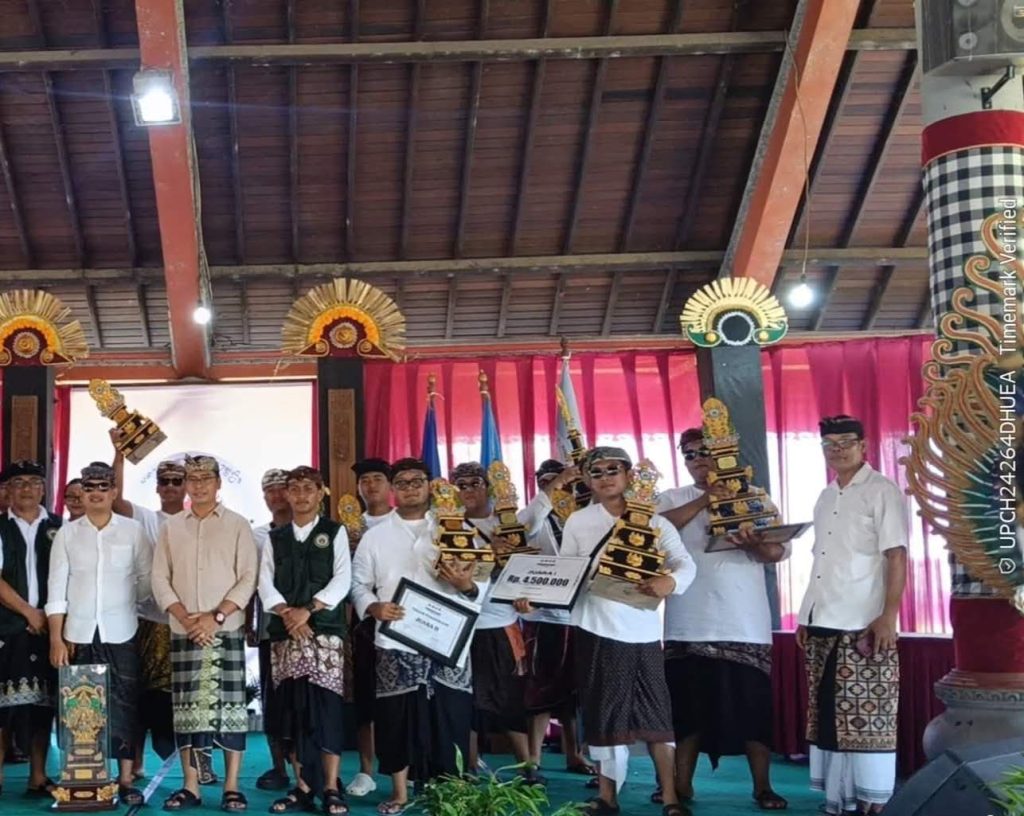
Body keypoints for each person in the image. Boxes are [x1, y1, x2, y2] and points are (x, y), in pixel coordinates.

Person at [553, 447, 696, 816]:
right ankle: (607, 796)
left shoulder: (656, 522)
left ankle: (670, 797)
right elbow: (566, 571)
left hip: (643, 631)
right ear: (587, 481)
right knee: (604, 715)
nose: (605, 477)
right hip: (595, 627)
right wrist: (534, 595)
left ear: (629, 475)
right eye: (596, 472)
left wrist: (670, 581)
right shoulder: (579, 522)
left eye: (613, 469)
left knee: (656, 715)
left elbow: (684, 564)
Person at [655, 429, 789, 811]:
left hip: (744, 621)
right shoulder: (672, 498)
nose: (699, 459)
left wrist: (756, 544)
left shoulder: (754, 495)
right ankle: (681, 785)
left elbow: (777, 551)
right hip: (687, 621)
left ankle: (763, 787)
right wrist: (706, 499)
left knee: (753, 708)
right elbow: (651, 532)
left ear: (723, 453)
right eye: (690, 454)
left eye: (705, 452)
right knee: (686, 710)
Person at [351, 457, 486, 816]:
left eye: (417, 481)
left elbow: (482, 581)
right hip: (395, 638)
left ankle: (451, 791)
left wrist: (466, 585)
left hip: (447, 639)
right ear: (393, 490)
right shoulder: (375, 537)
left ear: (430, 486)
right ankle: (399, 792)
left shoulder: (456, 527)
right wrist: (373, 607)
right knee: (396, 717)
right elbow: (359, 584)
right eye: (402, 483)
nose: (410, 488)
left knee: (450, 714)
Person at [797, 416, 908, 816]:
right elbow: (821, 560)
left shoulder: (882, 490)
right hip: (823, 619)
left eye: (846, 442)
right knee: (829, 717)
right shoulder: (826, 495)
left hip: (864, 622)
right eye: (830, 444)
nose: (838, 450)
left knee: (868, 717)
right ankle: (839, 800)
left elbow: (896, 555)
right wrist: (806, 615)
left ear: (864, 445)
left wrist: (888, 616)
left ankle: (872, 801)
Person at [151, 455, 258, 812]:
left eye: (205, 479)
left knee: (230, 710)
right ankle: (191, 786)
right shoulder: (171, 527)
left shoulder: (238, 525)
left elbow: (248, 577)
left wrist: (216, 616)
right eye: (192, 479)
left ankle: (231, 786)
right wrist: (185, 617)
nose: (198, 485)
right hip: (184, 630)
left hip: (224, 629)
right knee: (186, 709)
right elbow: (159, 577)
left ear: (218, 483)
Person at [45, 462, 152, 805]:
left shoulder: (133, 531)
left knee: (125, 703)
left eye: (103, 487)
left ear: (113, 491)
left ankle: (125, 778)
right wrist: (56, 638)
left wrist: (128, 604)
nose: (95, 493)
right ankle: (85, 777)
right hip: (77, 633)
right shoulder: (67, 533)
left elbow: (146, 580)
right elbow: (56, 588)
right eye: (89, 487)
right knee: (79, 709)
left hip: (122, 630)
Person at [259, 467, 352, 816]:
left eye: (307, 488)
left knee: (326, 711)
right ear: (286, 494)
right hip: (285, 635)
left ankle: (330, 788)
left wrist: (308, 611)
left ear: (320, 493)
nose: (300, 495)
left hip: (324, 633)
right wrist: (287, 613)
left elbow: (342, 579)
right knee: (293, 712)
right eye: (294, 488)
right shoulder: (276, 537)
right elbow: (264, 582)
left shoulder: (334, 532)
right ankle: (301, 787)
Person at [112, 453, 189, 775]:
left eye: (176, 481)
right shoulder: (145, 518)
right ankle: (136, 762)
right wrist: (119, 456)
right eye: (164, 481)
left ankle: (196, 764)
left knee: (189, 694)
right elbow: (115, 500)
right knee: (141, 692)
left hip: (188, 622)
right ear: (156, 487)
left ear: (186, 486)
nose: (170, 486)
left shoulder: (197, 521)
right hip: (148, 620)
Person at [517, 460, 594, 780]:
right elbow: (523, 529)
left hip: (583, 613)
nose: (557, 484)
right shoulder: (533, 514)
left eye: (561, 479)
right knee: (540, 688)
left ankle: (574, 754)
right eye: (546, 481)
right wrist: (555, 483)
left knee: (575, 690)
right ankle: (533, 760)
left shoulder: (584, 515)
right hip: (544, 614)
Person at [0, 461, 62, 798]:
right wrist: (28, 612)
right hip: (7, 628)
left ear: (43, 488)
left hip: (50, 630)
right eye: (19, 482)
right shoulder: (0, 527)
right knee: (3, 708)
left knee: (44, 704)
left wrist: (50, 620)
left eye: (34, 482)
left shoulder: (60, 527)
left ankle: (38, 776)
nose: (26, 488)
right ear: (7, 490)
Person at [345, 458, 393, 800]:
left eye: (378, 478)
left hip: (403, 617)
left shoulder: (406, 521)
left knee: (404, 697)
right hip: (363, 620)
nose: (371, 485)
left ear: (390, 485)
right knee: (366, 696)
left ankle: (409, 767)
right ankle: (366, 769)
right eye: (365, 480)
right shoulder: (348, 527)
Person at [252, 468, 294, 794]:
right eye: (271, 491)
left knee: (304, 700)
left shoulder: (313, 530)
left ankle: (309, 767)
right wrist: (251, 624)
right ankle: (278, 766)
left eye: (283, 489)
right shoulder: (256, 536)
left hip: (308, 629)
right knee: (273, 700)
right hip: (270, 628)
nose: (277, 496)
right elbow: (251, 583)